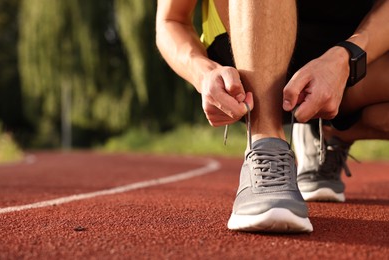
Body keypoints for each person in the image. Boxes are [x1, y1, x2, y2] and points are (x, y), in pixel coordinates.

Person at [156, 0, 389, 233]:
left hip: (354, 54)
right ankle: (266, 144)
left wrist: (345, 60)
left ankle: (327, 131)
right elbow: (171, 19)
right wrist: (203, 73)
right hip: (245, 54)